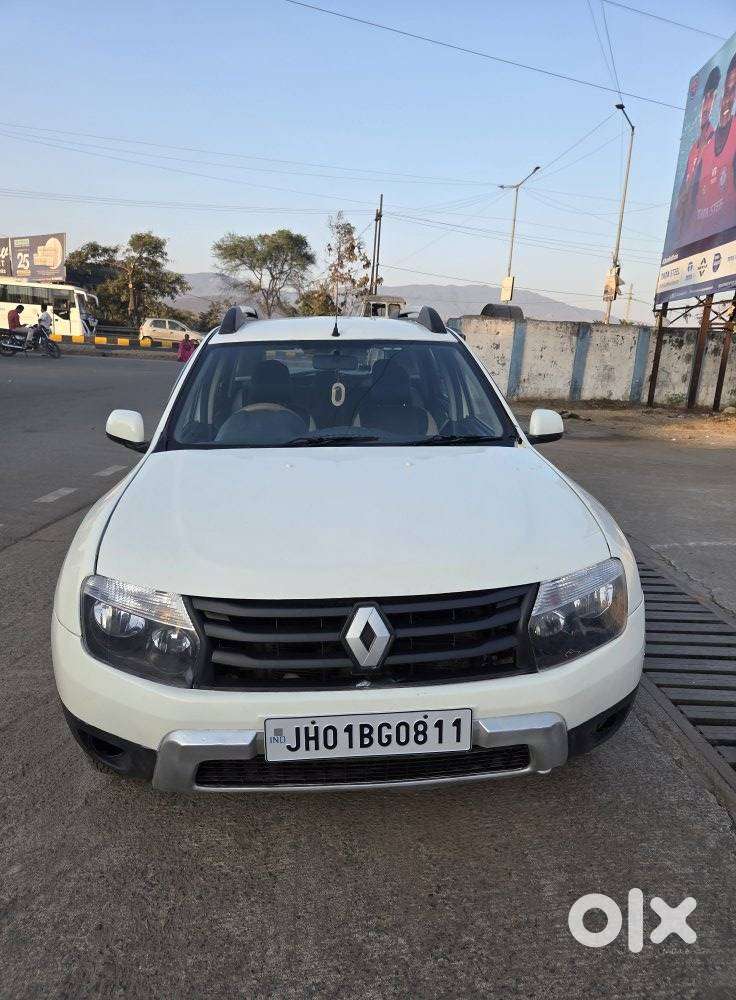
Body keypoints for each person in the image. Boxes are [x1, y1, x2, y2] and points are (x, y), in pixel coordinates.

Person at [690, 54, 736, 245]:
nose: (727, 98)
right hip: (698, 250)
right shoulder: (704, 150)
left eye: (733, 91)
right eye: (726, 90)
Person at [676, 65, 720, 245]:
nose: (707, 105)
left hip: (707, 239)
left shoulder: (716, 143)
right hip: (683, 241)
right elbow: (680, 201)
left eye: (712, 97)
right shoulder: (693, 150)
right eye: (705, 97)